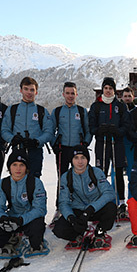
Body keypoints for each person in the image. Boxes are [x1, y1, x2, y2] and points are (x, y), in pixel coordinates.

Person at [0, 151, 48, 257]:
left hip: (28, 219)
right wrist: (2, 218)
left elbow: (40, 209)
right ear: (9, 167)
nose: (18, 169)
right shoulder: (2, 183)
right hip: (12, 219)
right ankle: (10, 241)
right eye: (14, 165)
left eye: (22, 165)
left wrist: (21, 220)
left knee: (38, 223)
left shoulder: (35, 182)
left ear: (26, 167)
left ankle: (36, 243)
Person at [52, 145, 117, 249]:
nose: (80, 161)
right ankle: (78, 234)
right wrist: (71, 218)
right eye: (76, 158)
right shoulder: (66, 177)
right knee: (59, 229)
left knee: (111, 208)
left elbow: (109, 193)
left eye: (83, 157)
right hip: (79, 211)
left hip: (95, 209)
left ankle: (100, 231)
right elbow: (63, 202)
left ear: (87, 159)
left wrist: (91, 208)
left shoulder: (95, 172)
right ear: (71, 160)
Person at [88, 77, 131, 215]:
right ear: (102, 89)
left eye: (110, 88)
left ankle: (122, 203)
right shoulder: (96, 106)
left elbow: (126, 124)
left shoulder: (120, 105)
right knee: (101, 172)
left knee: (118, 172)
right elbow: (91, 125)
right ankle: (101, 200)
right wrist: (99, 130)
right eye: (105, 88)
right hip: (102, 142)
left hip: (116, 142)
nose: (108, 91)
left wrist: (118, 131)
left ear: (114, 90)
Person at [50, 82, 92, 214]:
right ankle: (60, 207)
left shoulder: (81, 111)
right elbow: (50, 131)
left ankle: (81, 204)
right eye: (67, 93)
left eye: (72, 93)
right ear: (63, 94)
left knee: (80, 178)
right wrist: (54, 145)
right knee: (62, 179)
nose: (70, 96)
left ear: (76, 94)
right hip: (63, 150)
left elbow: (88, 130)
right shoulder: (57, 112)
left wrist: (85, 144)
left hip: (77, 150)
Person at [1, 77, 55, 178]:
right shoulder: (12, 109)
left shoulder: (41, 111)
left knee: (34, 180)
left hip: (35, 151)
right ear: (21, 90)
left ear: (36, 92)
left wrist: (37, 141)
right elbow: (4, 129)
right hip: (17, 149)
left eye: (32, 90)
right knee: (17, 179)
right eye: (26, 89)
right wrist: (12, 139)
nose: (29, 92)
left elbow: (49, 132)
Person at [121, 86, 137, 182]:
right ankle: (117, 196)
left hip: (132, 144)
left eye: (129, 96)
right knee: (117, 172)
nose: (127, 98)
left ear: (133, 97)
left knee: (132, 172)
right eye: (125, 96)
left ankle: (132, 196)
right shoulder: (118, 110)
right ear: (122, 97)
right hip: (120, 143)